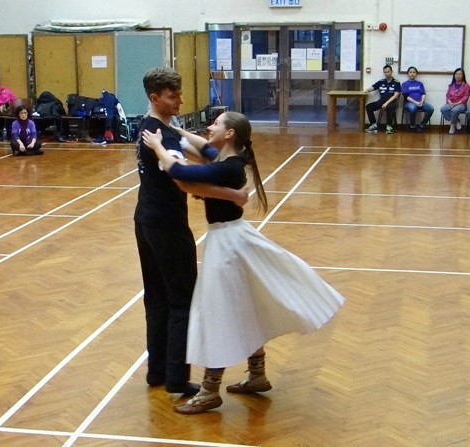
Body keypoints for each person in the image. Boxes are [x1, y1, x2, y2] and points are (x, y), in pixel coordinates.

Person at [141, 111, 346, 414]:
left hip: (227, 244)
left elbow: (180, 174)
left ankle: (210, 390)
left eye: (216, 124)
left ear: (230, 134)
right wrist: (176, 133)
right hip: (233, 238)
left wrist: (159, 144)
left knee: (218, 312)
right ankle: (257, 374)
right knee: (247, 304)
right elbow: (203, 147)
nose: (210, 126)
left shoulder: (229, 166)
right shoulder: (227, 159)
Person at [134, 67, 248, 398]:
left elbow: (205, 152)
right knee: (181, 300)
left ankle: (157, 371)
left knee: (156, 297)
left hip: (145, 220)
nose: (180, 100)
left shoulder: (153, 128)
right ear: (155, 97)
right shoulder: (163, 139)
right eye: (173, 96)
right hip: (167, 226)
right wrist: (233, 195)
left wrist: (183, 132)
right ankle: (176, 378)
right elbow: (184, 179)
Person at [364, 64, 401, 134]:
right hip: (381, 102)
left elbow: (396, 95)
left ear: (391, 72)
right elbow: (373, 87)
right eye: (385, 72)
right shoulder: (381, 81)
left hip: (391, 102)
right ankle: (374, 125)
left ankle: (389, 126)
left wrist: (386, 103)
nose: (387, 74)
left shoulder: (396, 82)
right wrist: (367, 90)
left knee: (390, 105)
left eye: (388, 72)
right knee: (369, 106)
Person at [401, 66, 434, 132]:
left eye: (414, 72)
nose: (412, 74)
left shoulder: (420, 84)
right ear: (408, 74)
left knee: (430, 108)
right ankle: (412, 125)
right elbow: (406, 96)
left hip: (420, 102)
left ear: (416, 74)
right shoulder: (404, 84)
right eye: (410, 72)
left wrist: (421, 101)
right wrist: (415, 102)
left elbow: (423, 94)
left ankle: (422, 125)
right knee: (413, 108)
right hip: (409, 103)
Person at [440, 68, 470, 134]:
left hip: (461, 104)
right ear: (454, 75)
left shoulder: (466, 86)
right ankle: (456, 121)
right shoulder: (451, 85)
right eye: (456, 74)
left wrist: (457, 103)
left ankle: (452, 126)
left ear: (463, 75)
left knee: (455, 110)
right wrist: (450, 102)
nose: (458, 76)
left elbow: (466, 96)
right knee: (443, 109)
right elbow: (447, 95)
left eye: (460, 74)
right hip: (451, 103)